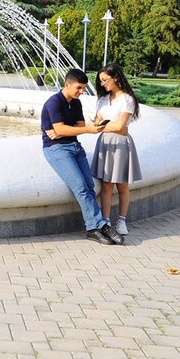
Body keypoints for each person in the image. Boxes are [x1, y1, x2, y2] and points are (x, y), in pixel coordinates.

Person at [41, 68, 125, 245]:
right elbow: (63, 130)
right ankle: (95, 228)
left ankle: (99, 225)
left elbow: (74, 126)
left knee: (89, 185)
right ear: (67, 84)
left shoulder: (76, 103)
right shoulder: (54, 103)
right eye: (79, 88)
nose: (81, 92)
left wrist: (72, 129)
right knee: (80, 187)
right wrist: (71, 130)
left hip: (74, 147)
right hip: (56, 149)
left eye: (84, 88)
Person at [91, 64, 142, 235]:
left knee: (122, 185)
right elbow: (96, 123)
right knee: (106, 185)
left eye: (105, 80)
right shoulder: (102, 100)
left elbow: (121, 127)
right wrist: (109, 125)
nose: (103, 83)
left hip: (120, 144)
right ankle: (106, 220)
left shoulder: (127, 99)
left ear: (116, 78)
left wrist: (105, 125)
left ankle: (121, 221)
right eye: (101, 81)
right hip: (105, 143)